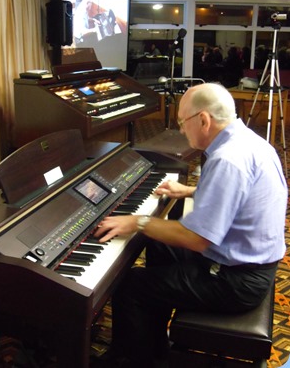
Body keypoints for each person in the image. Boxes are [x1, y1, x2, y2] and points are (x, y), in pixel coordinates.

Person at [94, 83, 287, 368]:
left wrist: (138, 221)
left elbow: (197, 239)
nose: (182, 131)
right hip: (249, 262)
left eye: (183, 122)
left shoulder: (227, 160)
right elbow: (239, 195)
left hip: (238, 280)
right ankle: (153, 343)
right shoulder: (248, 142)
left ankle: (131, 360)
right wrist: (191, 191)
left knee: (132, 286)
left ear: (204, 120)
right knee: (160, 246)